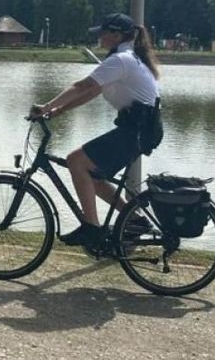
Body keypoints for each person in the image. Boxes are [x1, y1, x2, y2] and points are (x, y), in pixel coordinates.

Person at [29, 13, 163, 250]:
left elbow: (82, 86)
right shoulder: (125, 58)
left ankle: (91, 228)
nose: (99, 37)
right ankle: (134, 219)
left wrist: (45, 107)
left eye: (103, 33)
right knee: (93, 175)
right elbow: (91, 92)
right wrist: (58, 111)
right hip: (140, 129)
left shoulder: (121, 60)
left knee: (76, 161)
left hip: (137, 130)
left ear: (116, 35)